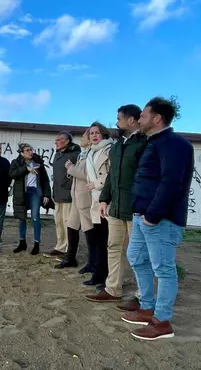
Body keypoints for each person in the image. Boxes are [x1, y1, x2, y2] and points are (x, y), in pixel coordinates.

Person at [122, 97, 193, 341]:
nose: (139, 119)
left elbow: (171, 182)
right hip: (143, 216)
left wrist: (153, 215)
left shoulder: (174, 144)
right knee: (135, 257)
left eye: (143, 115)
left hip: (160, 219)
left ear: (157, 118)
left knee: (163, 268)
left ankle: (162, 322)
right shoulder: (154, 142)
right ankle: (147, 306)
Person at [85, 105, 147, 310]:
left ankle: (142, 295)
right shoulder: (119, 145)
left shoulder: (144, 143)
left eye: (119, 119)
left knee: (138, 253)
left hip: (135, 208)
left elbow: (146, 177)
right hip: (116, 207)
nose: (116, 123)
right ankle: (113, 289)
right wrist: (104, 199)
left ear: (132, 120)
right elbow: (112, 176)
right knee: (114, 247)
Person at [55, 128, 95, 271]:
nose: (81, 139)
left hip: (85, 198)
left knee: (89, 231)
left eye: (84, 137)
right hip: (76, 197)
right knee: (71, 227)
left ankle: (93, 262)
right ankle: (70, 258)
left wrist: (71, 169)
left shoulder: (91, 154)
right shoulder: (83, 155)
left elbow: (88, 175)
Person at [81, 122, 113, 288]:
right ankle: (99, 275)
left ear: (104, 134)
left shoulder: (109, 149)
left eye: (97, 133)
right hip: (94, 200)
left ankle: (107, 278)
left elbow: (112, 174)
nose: (93, 135)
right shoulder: (90, 153)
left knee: (108, 242)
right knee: (99, 240)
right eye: (91, 133)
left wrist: (97, 183)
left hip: (106, 199)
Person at [9, 143, 51, 255]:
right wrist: (25, 169)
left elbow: (45, 180)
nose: (30, 152)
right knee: (21, 217)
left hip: (35, 192)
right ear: (21, 153)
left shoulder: (38, 163)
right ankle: (22, 243)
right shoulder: (16, 162)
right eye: (27, 150)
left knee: (35, 217)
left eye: (31, 149)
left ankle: (36, 244)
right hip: (21, 193)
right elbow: (12, 174)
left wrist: (47, 194)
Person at [45, 132, 81, 258]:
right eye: (56, 139)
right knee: (58, 222)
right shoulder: (57, 154)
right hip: (58, 194)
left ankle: (68, 249)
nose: (56, 142)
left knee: (68, 223)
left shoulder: (75, 154)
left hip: (68, 195)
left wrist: (69, 186)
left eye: (59, 140)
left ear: (67, 141)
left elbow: (78, 173)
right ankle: (60, 246)